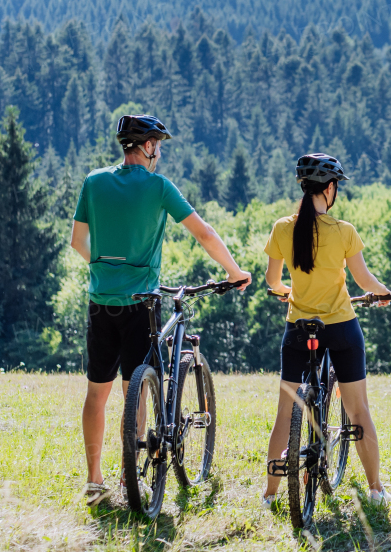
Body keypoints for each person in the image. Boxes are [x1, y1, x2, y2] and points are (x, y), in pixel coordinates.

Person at [70, 114, 251, 508]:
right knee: (134, 392)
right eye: (159, 145)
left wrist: (105, 271)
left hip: (101, 301)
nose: (160, 153)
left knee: (96, 394)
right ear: (147, 146)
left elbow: (77, 241)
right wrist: (234, 272)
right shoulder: (159, 187)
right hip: (141, 305)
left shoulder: (94, 181)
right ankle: (128, 478)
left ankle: (94, 480)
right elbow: (203, 232)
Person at [263, 153, 391, 507]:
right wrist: (382, 293)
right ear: (331, 188)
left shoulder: (282, 228)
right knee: (358, 411)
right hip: (340, 327)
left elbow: (273, 281)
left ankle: (269, 494)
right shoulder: (344, 231)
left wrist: (287, 293)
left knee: (284, 413)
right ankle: (375, 489)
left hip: (298, 327)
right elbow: (363, 279)